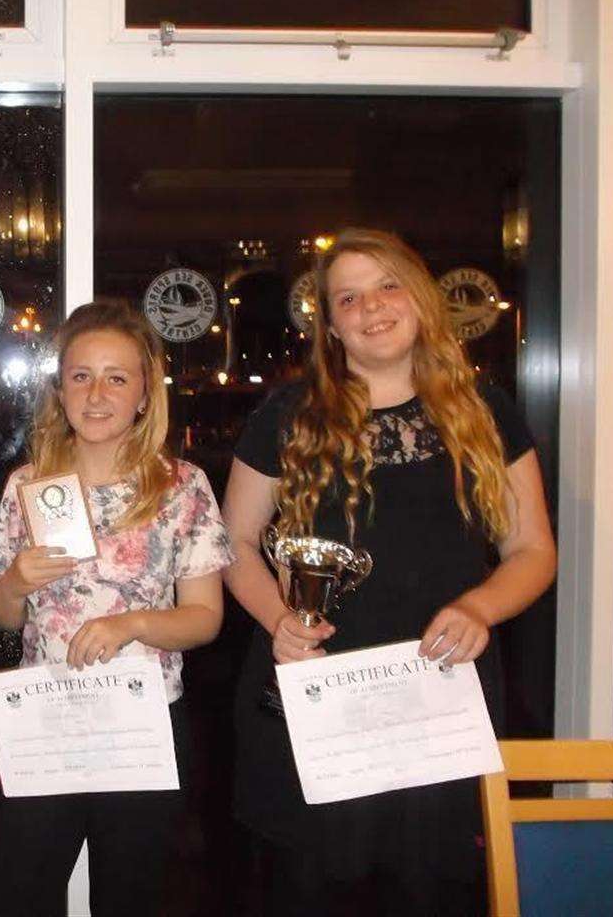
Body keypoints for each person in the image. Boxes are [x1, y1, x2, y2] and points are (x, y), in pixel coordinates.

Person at [223, 229, 557, 916]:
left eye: (386, 285)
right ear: (332, 323)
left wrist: (479, 610)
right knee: (305, 892)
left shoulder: (485, 412)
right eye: (348, 297)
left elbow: (532, 551)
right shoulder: (286, 416)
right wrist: (277, 620)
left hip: (437, 698)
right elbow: (232, 542)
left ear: (420, 299)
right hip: (314, 696)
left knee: (431, 893)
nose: (370, 307)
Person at [0, 299, 234, 916]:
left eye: (116, 378)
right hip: (43, 720)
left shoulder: (182, 486)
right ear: (60, 390)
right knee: (20, 895)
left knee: (131, 896)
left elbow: (205, 618)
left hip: (140, 722)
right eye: (81, 376)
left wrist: (130, 625)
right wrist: (16, 580)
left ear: (145, 394)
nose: (96, 395)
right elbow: (3, 616)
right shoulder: (28, 485)